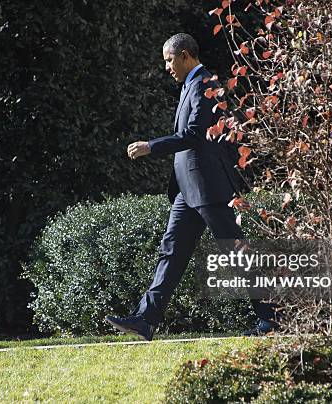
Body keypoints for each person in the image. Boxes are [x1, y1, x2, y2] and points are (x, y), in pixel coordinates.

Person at [105, 33, 278, 341]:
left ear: (185, 55)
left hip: (209, 186)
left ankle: (273, 318)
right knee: (171, 251)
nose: (167, 67)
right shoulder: (190, 84)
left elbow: (196, 134)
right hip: (189, 190)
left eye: (169, 60)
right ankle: (146, 319)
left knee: (236, 252)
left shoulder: (206, 83)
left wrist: (152, 146)